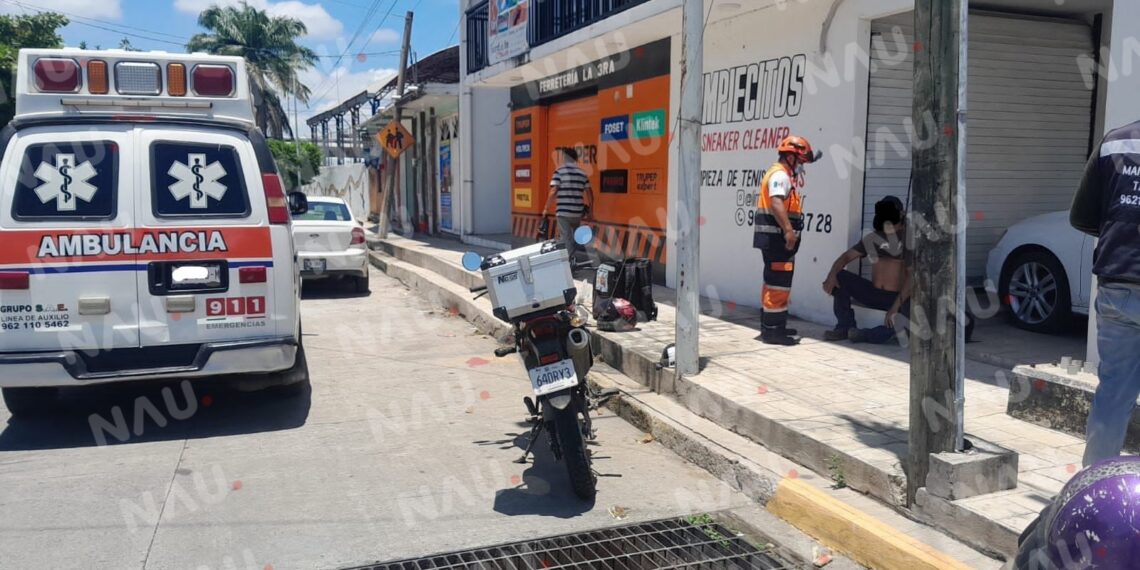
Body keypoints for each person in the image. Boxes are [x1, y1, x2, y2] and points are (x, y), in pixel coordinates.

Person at [1070, 118, 1140, 467]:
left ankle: (1094, 488)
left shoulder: (1115, 142)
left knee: (1113, 395)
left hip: (1118, 286)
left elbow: (1081, 217)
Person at [755, 135, 822, 345]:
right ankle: (773, 331)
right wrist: (788, 232)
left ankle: (773, 326)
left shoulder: (778, 174)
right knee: (778, 285)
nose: (801, 167)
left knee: (774, 282)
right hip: (778, 242)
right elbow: (776, 203)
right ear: (791, 157)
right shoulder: (780, 176)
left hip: (774, 241)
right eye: (801, 162)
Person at [821, 196, 911, 343]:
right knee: (840, 276)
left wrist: (895, 307)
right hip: (874, 293)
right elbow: (845, 257)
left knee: (905, 325)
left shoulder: (909, 239)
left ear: (901, 214)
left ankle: (865, 335)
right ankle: (844, 326)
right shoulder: (874, 238)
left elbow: (912, 277)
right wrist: (832, 275)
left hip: (897, 297)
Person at [542, 147, 593, 258]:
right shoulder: (582, 173)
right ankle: (576, 258)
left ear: (565, 159)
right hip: (577, 212)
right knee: (575, 236)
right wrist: (591, 211)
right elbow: (590, 193)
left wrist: (546, 208)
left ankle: (570, 263)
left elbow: (553, 191)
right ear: (575, 159)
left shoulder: (559, 172)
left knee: (566, 238)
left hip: (563, 213)